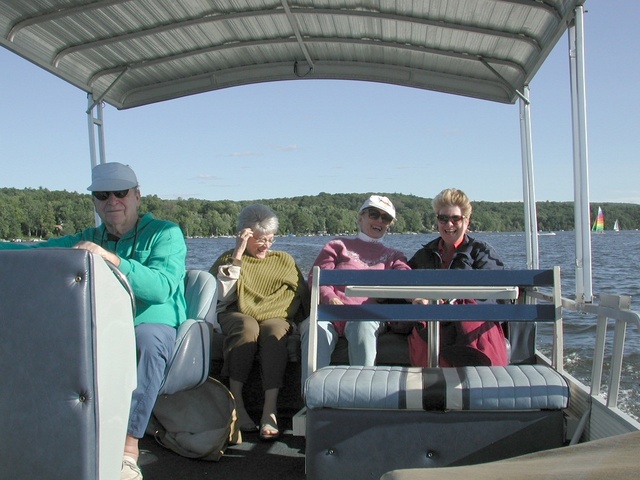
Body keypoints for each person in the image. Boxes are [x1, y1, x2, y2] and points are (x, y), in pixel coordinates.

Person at [0, 162, 187, 480]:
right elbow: (33, 252)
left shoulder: (166, 233)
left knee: (146, 343)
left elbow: (161, 288)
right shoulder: (88, 237)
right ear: (95, 201)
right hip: (102, 321)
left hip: (152, 323)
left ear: (137, 196)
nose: (112, 200)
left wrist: (112, 259)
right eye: (102, 195)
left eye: (120, 193)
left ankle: (128, 449)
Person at [209, 204, 309, 441]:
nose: (266, 245)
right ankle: (237, 404)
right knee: (247, 328)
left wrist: (305, 324)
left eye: (271, 239)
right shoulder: (229, 258)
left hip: (276, 315)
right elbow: (222, 297)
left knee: (275, 333)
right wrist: (237, 256)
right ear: (245, 235)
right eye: (260, 239)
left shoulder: (284, 260)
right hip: (236, 312)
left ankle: (269, 410)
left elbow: (303, 295)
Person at [301, 195, 411, 382]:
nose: (379, 221)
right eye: (374, 214)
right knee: (315, 329)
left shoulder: (394, 255)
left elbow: (405, 276)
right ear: (361, 217)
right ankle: (312, 392)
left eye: (385, 218)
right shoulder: (337, 246)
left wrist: (402, 286)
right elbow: (316, 278)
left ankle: (362, 392)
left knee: (363, 324)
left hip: (366, 316)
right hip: (330, 313)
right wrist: (331, 298)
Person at [408, 187, 508, 367]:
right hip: (432, 320)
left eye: (455, 219)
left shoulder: (481, 252)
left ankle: (476, 381)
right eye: (443, 219)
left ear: (466, 221)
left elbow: (494, 294)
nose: (449, 224)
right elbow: (406, 283)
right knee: (424, 328)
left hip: (469, 320)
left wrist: (455, 301)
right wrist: (416, 298)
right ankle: (432, 383)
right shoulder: (424, 255)